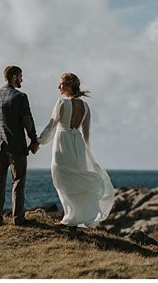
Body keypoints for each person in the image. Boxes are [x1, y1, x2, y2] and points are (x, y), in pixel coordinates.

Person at [37, 72, 115, 227]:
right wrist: (85, 153)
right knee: (76, 179)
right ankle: (75, 216)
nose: (58, 86)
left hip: (63, 142)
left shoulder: (62, 103)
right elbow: (86, 134)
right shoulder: (85, 106)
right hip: (78, 144)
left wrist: (39, 141)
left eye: (61, 84)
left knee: (61, 176)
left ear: (69, 86)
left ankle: (70, 217)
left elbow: (51, 126)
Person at [0, 65, 39, 227]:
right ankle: (18, 219)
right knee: (18, 181)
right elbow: (27, 121)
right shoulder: (20, 97)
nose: (22, 79)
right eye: (21, 76)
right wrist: (34, 140)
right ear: (14, 76)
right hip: (16, 146)